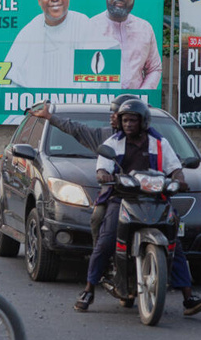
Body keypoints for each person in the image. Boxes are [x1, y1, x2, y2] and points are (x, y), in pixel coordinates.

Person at [73, 100, 201, 316]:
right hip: (121, 197)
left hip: (155, 198)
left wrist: (179, 179)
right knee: (106, 240)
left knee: (175, 244)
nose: (128, 124)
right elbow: (102, 168)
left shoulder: (159, 143)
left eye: (132, 120)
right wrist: (104, 176)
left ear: (143, 122)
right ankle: (89, 289)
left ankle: (188, 297)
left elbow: (174, 168)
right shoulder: (113, 142)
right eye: (124, 120)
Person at [29, 94, 137, 247]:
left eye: (117, 114)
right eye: (113, 114)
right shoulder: (107, 138)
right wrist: (50, 117)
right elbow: (76, 129)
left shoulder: (153, 140)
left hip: (144, 195)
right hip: (115, 194)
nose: (111, 117)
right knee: (97, 218)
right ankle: (100, 258)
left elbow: (169, 161)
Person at [4, 0, 111, 89]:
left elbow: (103, 79)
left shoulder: (84, 26)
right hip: (37, 107)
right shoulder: (29, 31)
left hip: (77, 107)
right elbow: (9, 82)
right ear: (39, 0)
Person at [90, 0, 162, 90]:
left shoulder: (145, 29)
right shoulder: (91, 28)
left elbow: (154, 69)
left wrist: (140, 98)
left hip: (135, 105)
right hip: (100, 105)